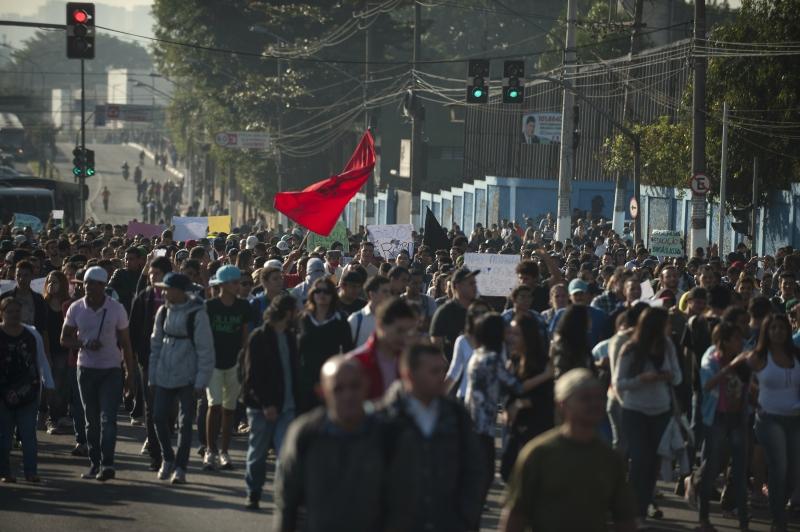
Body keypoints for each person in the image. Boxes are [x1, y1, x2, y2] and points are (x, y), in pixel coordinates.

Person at [500, 368, 637, 532]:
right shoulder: (539, 453)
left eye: (599, 398)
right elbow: (515, 515)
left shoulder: (610, 459)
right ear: (562, 404)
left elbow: (624, 519)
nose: (594, 404)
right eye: (585, 399)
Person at [379, 342, 485, 532]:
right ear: (409, 375)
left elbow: (474, 470)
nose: (441, 377)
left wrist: (465, 517)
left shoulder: (456, 416)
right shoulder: (385, 419)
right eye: (433, 371)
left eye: (442, 370)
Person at [274, 356, 386, 532]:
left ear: (366, 385)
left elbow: (400, 503)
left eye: (354, 386)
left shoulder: (385, 435)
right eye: (338, 389)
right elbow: (287, 500)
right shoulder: (306, 433)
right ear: (322, 392)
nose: (348, 395)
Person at [464, 313, 547, 512]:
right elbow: (515, 386)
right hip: (482, 425)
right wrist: (547, 375)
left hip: (474, 421)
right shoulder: (492, 358)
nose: (507, 335)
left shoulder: (478, 354)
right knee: (487, 474)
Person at [61, 266, 137, 481]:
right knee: (91, 421)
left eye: (94, 283)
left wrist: (130, 374)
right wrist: (83, 343)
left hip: (111, 370)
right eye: (86, 282)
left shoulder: (116, 309)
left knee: (108, 419)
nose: (89, 287)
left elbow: (126, 344)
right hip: (85, 369)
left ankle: (108, 463)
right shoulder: (76, 308)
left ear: (104, 286)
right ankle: (95, 463)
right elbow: (64, 339)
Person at [612, 307, 682, 526]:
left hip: (661, 410)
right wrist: (642, 379)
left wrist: (667, 376)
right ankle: (631, 513)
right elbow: (619, 384)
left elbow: (678, 377)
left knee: (653, 465)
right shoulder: (630, 349)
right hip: (635, 411)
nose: (668, 329)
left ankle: (641, 511)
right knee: (640, 461)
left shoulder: (667, 346)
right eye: (665, 325)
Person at [149, 272, 215, 485]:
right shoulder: (162, 311)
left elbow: (206, 349)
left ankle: (180, 467)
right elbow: (156, 344)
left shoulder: (198, 314)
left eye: (167, 289)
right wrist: (152, 374)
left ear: (179, 291)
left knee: (185, 422)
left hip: (188, 374)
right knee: (158, 416)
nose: (164, 292)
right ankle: (167, 457)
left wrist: (201, 380)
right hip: (164, 372)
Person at [691, 321, 751, 532]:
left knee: (740, 472)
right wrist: (732, 366)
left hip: (738, 419)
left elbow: (749, 387)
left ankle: (744, 522)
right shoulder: (712, 359)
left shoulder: (744, 360)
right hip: (716, 417)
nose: (740, 342)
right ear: (725, 341)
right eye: (735, 339)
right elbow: (707, 385)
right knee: (711, 470)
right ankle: (703, 519)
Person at [242, 295, 300, 510]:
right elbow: (252, 375)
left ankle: (281, 495)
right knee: (257, 454)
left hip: (287, 406)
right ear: (286, 312)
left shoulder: (291, 336)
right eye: (295, 310)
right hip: (261, 407)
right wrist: (266, 404)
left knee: (285, 454)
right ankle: (253, 491)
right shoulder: (259, 337)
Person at [744, 314, 800, 531]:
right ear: (767, 331)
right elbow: (744, 382)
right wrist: (754, 402)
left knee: (794, 472)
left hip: (794, 419)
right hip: (768, 419)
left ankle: (778, 504)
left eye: (782, 328)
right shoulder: (758, 356)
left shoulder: (795, 355)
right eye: (773, 328)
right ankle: (778, 520)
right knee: (779, 466)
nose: (778, 332)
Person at [203, 264, 252, 471]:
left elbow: (245, 335)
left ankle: (224, 452)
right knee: (213, 406)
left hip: (235, 364)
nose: (238, 286)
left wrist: (245, 360)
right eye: (234, 282)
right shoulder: (210, 306)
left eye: (238, 282)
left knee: (229, 410)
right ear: (222, 284)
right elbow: (203, 336)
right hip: (213, 363)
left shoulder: (243, 306)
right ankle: (210, 450)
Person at [0, 298, 54, 483]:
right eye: (9, 312)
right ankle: (5, 472)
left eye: (17, 311)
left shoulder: (32, 334)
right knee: (4, 436)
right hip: (3, 394)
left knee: (28, 435)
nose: (14, 315)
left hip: (28, 392)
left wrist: (49, 385)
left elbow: (41, 360)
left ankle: (31, 472)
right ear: (2, 313)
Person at [129, 255, 172, 470]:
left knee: (169, 407)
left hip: (174, 359)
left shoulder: (177, 298)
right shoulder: (143, 298)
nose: (154, 277)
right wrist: (133, 357)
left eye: (158, 274)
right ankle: (156, 454)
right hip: (148, 360)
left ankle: (167, 444)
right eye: (152, 273)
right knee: (151, 408)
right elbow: (133, 329)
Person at [501, 313, 554, 481]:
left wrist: (523, 403)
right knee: (507, 471)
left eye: (516, 334)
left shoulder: (543, 363)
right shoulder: (513, 361)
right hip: (515, 428)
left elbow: (547, 397)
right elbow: (508, 391)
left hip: (536, 428)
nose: (510, 338)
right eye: (510, 333)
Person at [297, 277, 353, 412]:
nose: (322, 295)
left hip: (330, 380)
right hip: (304, 382)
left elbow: (348, 351)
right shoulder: (302, 319)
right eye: (318, 291)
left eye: (326, 291)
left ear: (332, 295)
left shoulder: (340, 320)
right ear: (312, 294)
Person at [346, 297, 418, 400]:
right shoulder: (355, 363)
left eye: (408, 332)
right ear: (380, 325)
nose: (404, 337)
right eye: (399, 331)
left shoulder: (412, 362)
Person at [444, 300, 492, 401]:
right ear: (470, 317)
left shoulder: (497, 341)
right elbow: (454, 372)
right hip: (464, 397)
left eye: (484, 312)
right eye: (476, 313)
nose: (480, 316)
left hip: (488, 401)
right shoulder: (462, 341)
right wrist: (437, 397)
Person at [430, 267, 479, 360]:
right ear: (457, 286)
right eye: (471, 283)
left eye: (475, 283)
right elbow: (436, 345)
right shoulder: (444, 312)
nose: (475, 286)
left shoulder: (481, 309)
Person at [347, 275, 390, 347]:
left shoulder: (393, 319)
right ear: (372, 294)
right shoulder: (355, 320)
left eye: (389, 292)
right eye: (385, 291)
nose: (388, 295)